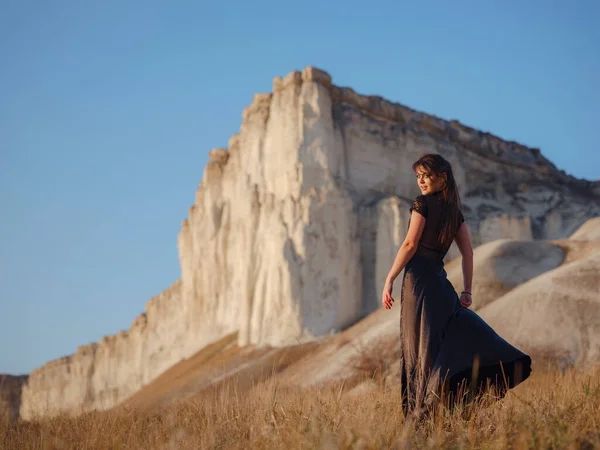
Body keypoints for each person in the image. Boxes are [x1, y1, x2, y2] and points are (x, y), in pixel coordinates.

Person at [381, 153, 532, 417]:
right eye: (418, 177)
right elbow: (469, 253)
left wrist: (389, 278)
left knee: (419, 346)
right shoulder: (455, 213)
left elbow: (410, 244)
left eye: (426, 176)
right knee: (441, 343)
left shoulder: (422, 204)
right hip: (440, 285)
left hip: (418, 283)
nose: (421, 182)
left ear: (442, 177)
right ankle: (442, 410)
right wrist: (467, 291)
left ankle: (421, 415)